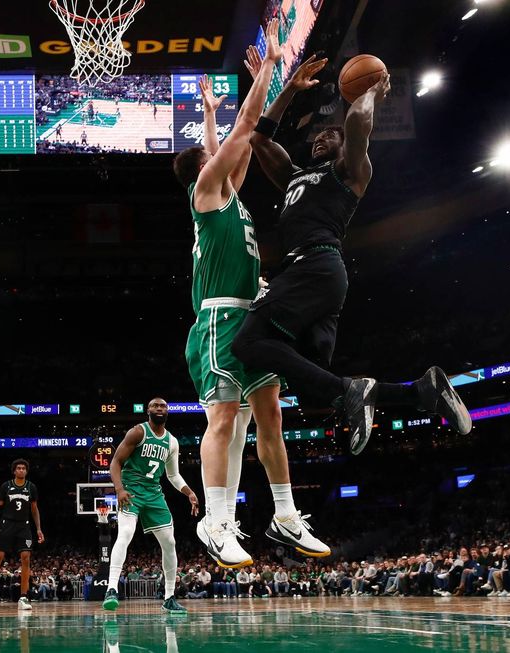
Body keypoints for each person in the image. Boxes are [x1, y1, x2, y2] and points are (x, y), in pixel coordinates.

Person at [234, 58, 471, 455]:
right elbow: (259, 139)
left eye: (329, 135)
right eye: (315, 139)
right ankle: (422, 391)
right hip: (314, 277)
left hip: (314, 266)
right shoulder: (295, 177)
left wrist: (370, 92)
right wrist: (290, 87)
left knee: (248, 343)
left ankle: (357, 392)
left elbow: (357, 127)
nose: (319, 140)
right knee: (312, 388)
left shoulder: (350, 172)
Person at [173, 22, 328, 570]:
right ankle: (214, 520)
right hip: (218, 322)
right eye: (211, 157)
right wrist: (266, 71)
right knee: (223, 417)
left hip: (253, 319)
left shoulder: (228, 197)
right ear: (201, 173)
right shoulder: (205, 195)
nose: (229, 161)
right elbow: (244, 134)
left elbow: (228, 143)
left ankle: (285, 513)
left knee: (271, 415)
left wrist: (212, 116)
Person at [102, 398, 199, 614]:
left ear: (167, 412)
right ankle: (111, 589)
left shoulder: (172, 442)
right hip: (132, 490)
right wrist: (119, 489)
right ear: (148, 411)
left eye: (163, 406)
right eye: (155, 406)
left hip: (154, 493)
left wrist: (189, 492)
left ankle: (169, 597)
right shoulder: (138, 432)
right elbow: (115, 462)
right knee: (125, 533)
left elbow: (173, 475)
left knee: (170, 542)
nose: (159, 408)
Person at [0, 459, 43, 612]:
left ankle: (23, 597)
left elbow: (34, 509)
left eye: (23, 468)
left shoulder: (31, 487)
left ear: (26, 471)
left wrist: (39, 529)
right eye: (18, 468)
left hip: (24, 526)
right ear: (14, 471)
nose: (21, 470)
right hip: (7, 524)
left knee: (26, 558)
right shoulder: (6, 486)